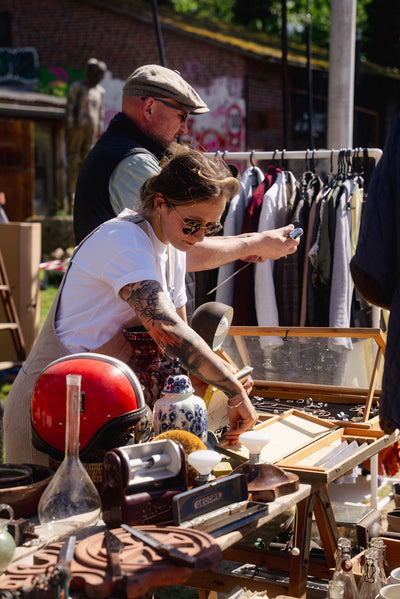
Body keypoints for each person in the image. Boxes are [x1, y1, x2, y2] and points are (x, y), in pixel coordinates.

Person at [4, 147, 260, 466]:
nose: (199, 237)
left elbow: (174, 357)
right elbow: (168, 329)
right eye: (192, 224)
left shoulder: (173, 249)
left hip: (109, 419)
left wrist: (222, 382)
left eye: (211, 227)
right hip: (51, 414)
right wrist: (233, 389)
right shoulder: (123, 240)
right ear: (160, 203)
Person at [73, 64, 300, 318]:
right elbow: (185, 248)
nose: (185, 129)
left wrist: (255, 243)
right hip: (112, 330)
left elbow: (186, 238)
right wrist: (255, 243)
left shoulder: (126, 151)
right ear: (149, 107)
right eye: (182, 116)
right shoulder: (134, 162)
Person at [66, 57, 107, 213]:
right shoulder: (77, 87)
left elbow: (101, 113)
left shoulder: (100, 92)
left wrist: (99, 129)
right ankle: (70, 198)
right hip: (77, 130)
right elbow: (70, 108)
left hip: (91, 133)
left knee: (87, 162)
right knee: (74, 161)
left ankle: (85, 198)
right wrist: (70, 126)